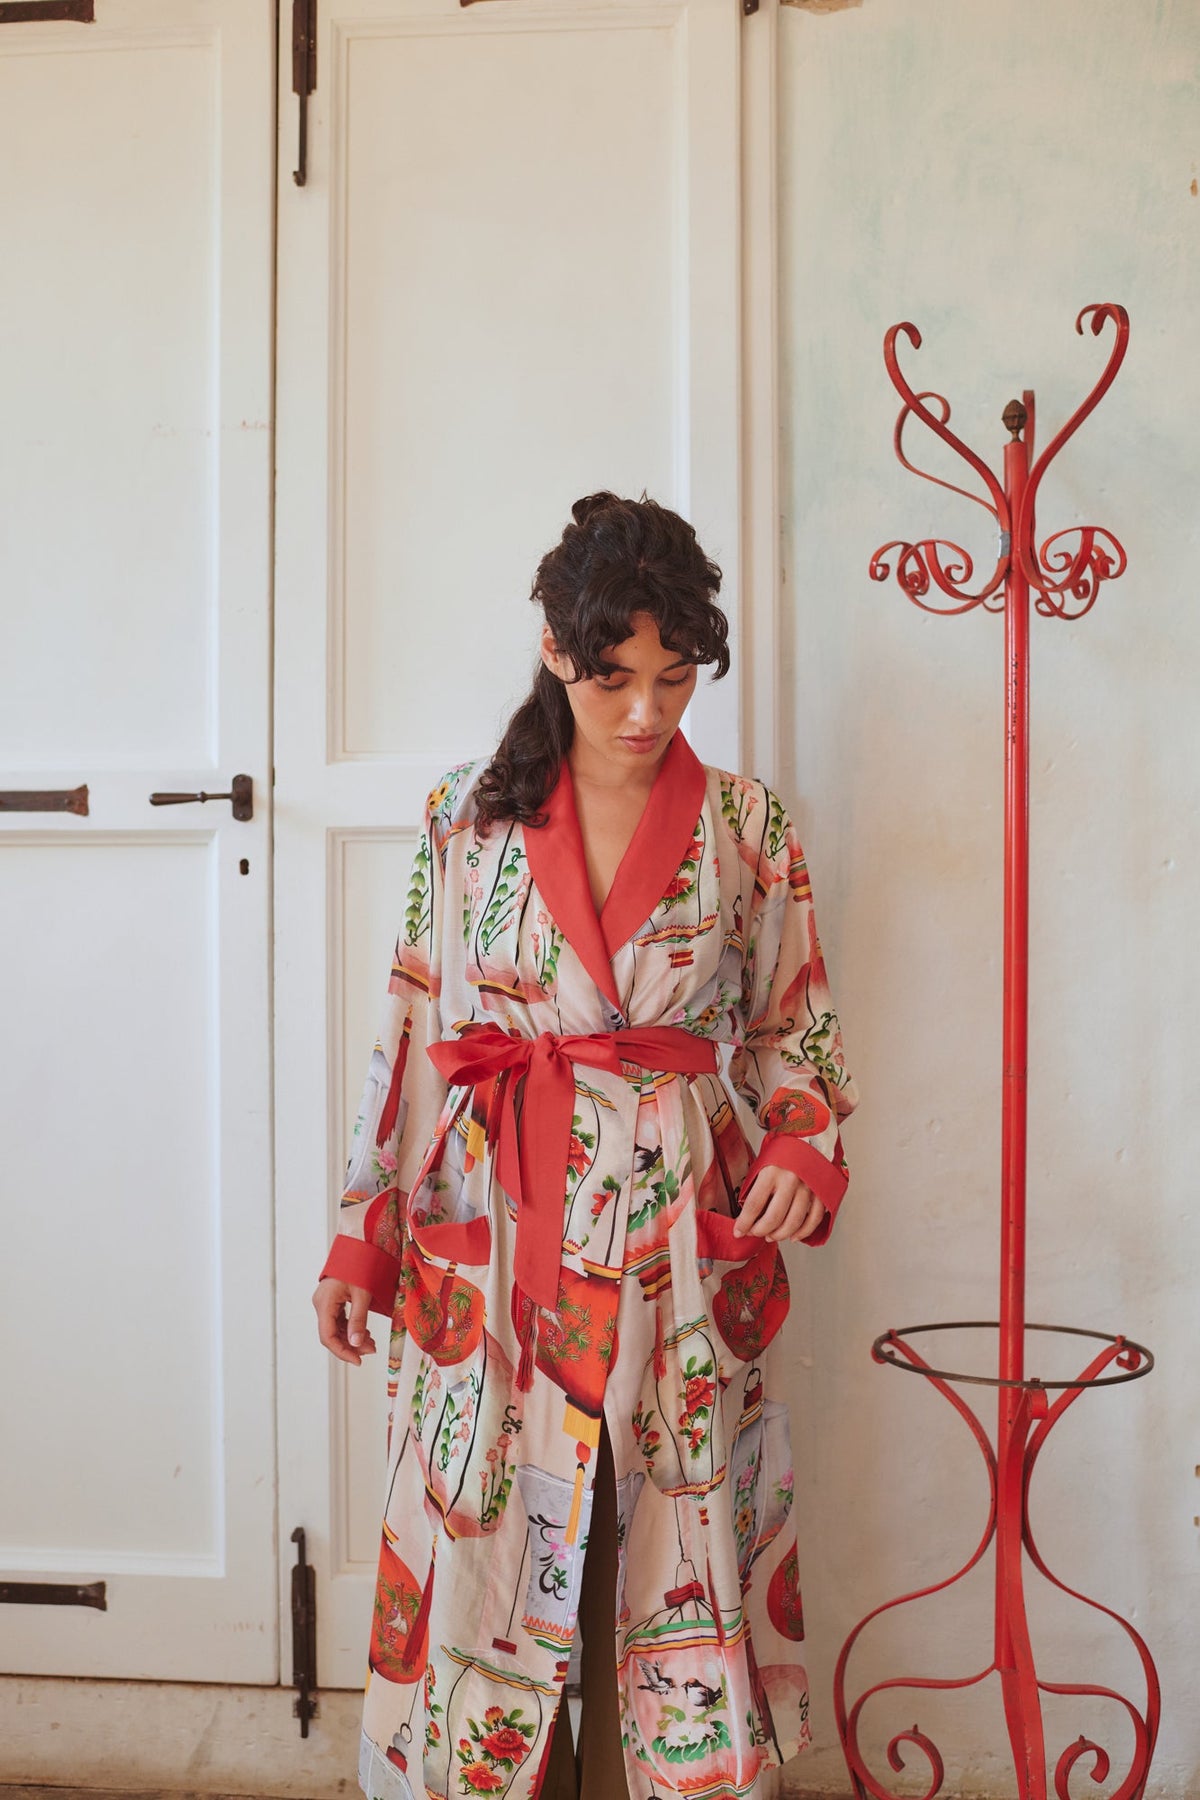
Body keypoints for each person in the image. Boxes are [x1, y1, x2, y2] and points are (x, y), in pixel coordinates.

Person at [312, 491, 858, 1800]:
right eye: (616, 678)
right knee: (492, 1527)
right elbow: (410, 1032)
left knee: (662, 1531)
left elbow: (797, 1021)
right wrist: (362, 1241)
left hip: (675, 1233)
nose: (647, 711)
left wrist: (801, 1141)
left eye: (675, 678)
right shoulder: (464, 818)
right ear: (556, 651)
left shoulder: (748, 827)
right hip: (499, 1228)